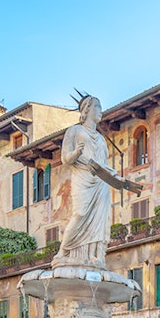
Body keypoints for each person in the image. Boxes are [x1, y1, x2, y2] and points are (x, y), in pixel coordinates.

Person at [55, 94, 139, 269]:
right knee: (80, 214)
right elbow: (65, 159)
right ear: (86, 109)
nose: (100, 111)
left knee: (100, 220)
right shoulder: (74, 131)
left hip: (100, 183)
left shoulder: (101, 139)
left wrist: (119, 179)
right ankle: (63, 252)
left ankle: (96, 256)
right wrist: (76, 153)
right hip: (83, 177)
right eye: (97, 107)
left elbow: (105, 166)